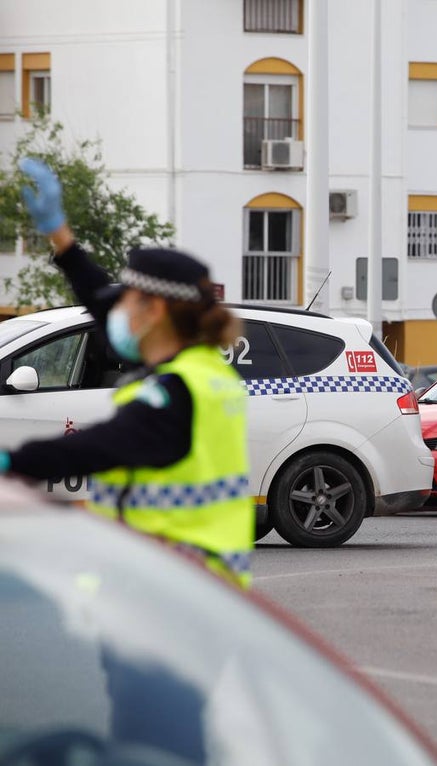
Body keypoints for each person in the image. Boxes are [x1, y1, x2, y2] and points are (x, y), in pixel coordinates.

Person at [0, 158, 254, 589]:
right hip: (201, 591)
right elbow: (99, 297)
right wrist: (61, 237)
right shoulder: (204, 371)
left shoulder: (171, 395)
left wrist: (9, 461)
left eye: (128, 300)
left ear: (154, 311)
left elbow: (93, 448)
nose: (115, 310)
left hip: (170, 597)